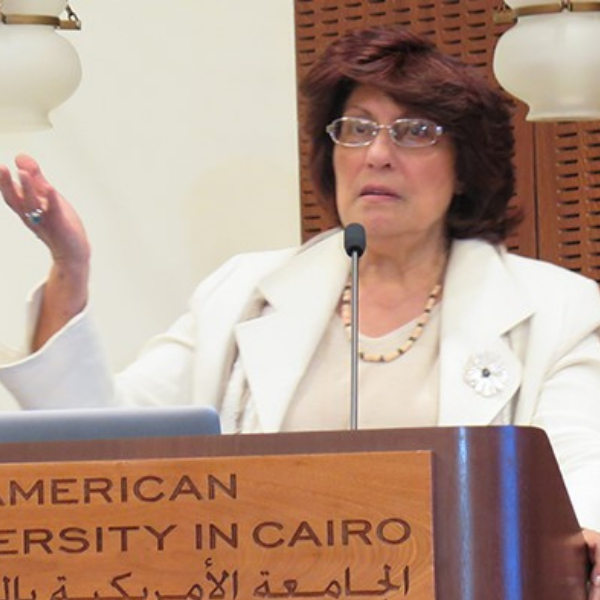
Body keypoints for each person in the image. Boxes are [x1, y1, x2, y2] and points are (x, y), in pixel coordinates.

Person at [0, 25, 599, 595]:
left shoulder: (556, 310)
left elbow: (577, 469)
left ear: (465, 168)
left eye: (414, 132)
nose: (378, 154)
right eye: (356, 129)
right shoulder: (242, 293)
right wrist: (69, 268)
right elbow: (103, 454)